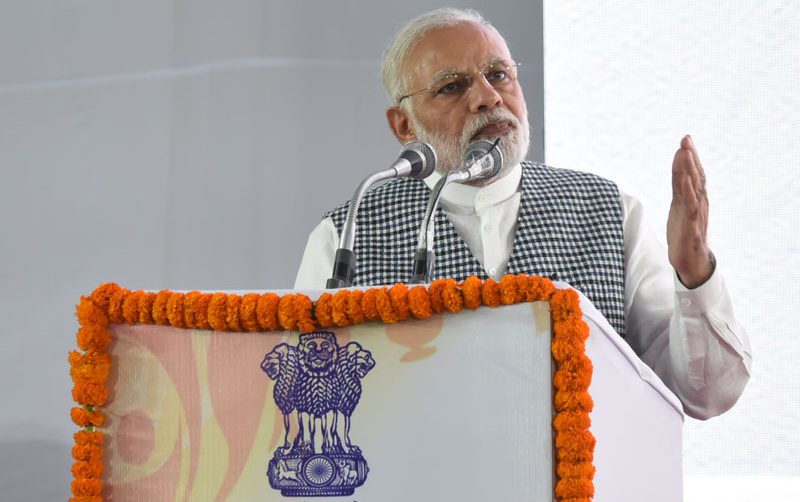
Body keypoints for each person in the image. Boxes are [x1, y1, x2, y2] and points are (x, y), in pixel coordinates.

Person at [295, 8, 750, 419]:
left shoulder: (610, 212)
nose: (487, 97)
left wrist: (694, 275)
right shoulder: (347, 234)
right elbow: (309, 400)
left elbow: (704, 395)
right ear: (404, 125)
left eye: (499, 74)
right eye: (453, 86)